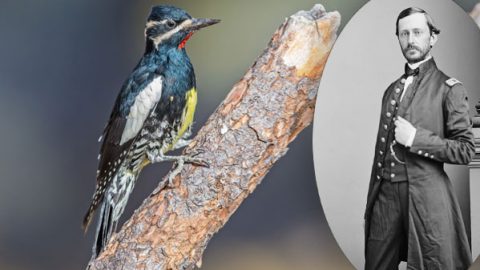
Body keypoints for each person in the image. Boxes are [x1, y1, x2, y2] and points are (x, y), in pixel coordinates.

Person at [364, 7, 475, 270]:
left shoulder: (450, 89)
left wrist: (416, 138)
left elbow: (466, 150)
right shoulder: (391, 89)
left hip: (426, 197)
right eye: (404, 34)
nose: (410, 40)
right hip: (385, 196)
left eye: (417, 32)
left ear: (432, 38)